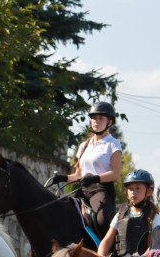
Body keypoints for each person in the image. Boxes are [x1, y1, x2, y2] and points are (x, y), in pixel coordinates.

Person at [46, 101, 122, 238]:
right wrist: (63, 178)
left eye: (101, 118)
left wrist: (95, 178)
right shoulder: (84, 146)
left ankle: (109, 252)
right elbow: (78, 176)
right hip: (83, 189)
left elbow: (116, 173)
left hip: (101, 189)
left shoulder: (113, 144)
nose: (96, 121)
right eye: (94, 118)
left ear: (109, 122)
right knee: (61, 212)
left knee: (102, 221)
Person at [97, 168, 157, 257]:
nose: (133, 192)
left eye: (138, 188)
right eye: (130, 189)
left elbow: (154, 246)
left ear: (149, 191)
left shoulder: (154, 217)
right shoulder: (120, 214)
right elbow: (106, 241)